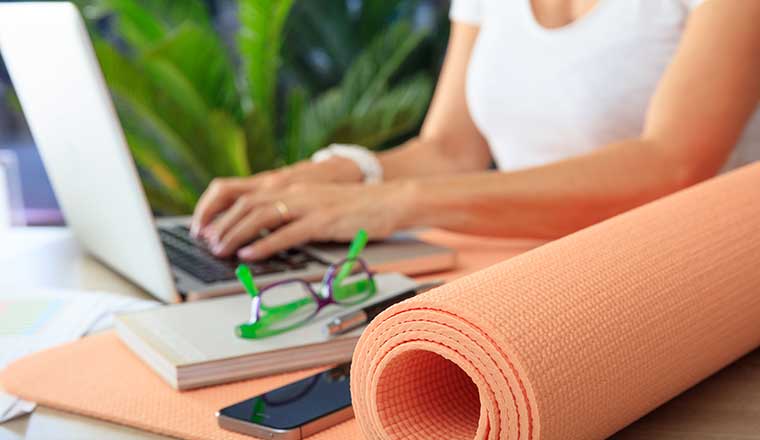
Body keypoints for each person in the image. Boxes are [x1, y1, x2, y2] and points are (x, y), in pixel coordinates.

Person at [191, 0, 760, 261]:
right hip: (515, 262)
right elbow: (450, 149)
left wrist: (396, 203)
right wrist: (329, 176)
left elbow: (671, 165)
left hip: (676, 272)